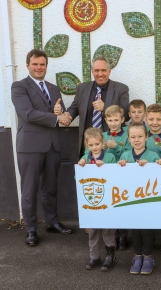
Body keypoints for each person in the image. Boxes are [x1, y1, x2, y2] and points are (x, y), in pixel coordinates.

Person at [11, 49, 73, 246]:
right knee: (29, 190)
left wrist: (61, 113)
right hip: (30, 146)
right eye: (35, 64)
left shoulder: (54, 88)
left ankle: (52, 222)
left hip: (52, 145)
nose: (39, 68)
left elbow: (59, 112)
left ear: (46, 66)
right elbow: (27, 114)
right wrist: (56, 116)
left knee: (50, 188)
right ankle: (30, 230)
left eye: (42, 64)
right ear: (28, 65)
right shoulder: (19, 87)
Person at [59, 56, 129, 156]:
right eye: (97, 70)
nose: (100, 74)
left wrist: (105, 107)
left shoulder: (121, 89)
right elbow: (75, 107)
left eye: (103, 70)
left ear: (109, 71)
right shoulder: (82, 88)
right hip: (89, 144)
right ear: (92, 71)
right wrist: (68, 116)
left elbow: (126, 113)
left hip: (111, 143)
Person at [118, 122, 161, 275]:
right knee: (135, 229)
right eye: (133, 137)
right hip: (131, 199)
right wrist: (121, 165)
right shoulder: (125, 156)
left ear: (146, 137)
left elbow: (159, 176)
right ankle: (137, 256)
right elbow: (118, 177)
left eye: (140, 136)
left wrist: (151, 165)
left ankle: (148, 257)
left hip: (148, 200)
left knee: (147, 230)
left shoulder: (153, 156)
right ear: (129, 139)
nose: (137, 140)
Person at [78, 128, 117, 271]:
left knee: (108, 229)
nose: (94, 147)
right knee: (93, 230)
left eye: (97, 144)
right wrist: (82, 167)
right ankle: (94, 256)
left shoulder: (110, 157)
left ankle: (110, 255)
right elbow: (79, 179)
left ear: (102, 142)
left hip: (107, 200)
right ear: (87, 145)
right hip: (91, 201)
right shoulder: (85, 159)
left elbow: (115, 177)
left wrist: (105, 167)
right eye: (91, 145)